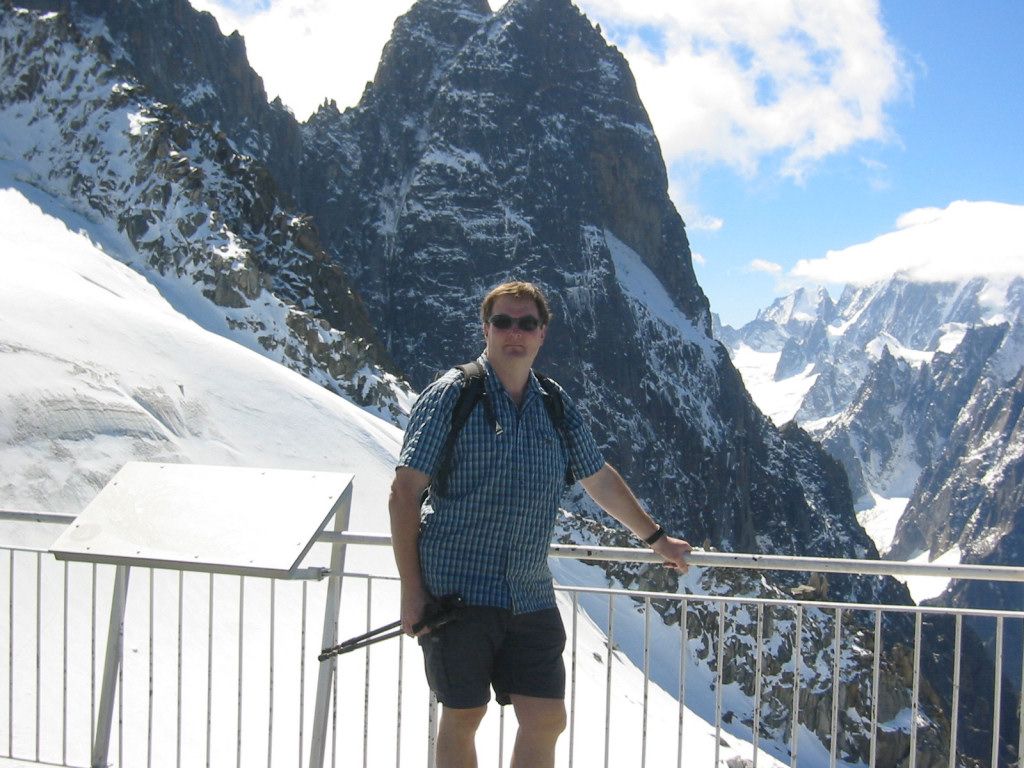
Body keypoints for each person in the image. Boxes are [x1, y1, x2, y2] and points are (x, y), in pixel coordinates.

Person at [389, 280, 691, 768]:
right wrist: (412, 591)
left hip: (528, 593)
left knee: (547, 718)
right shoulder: (452, 394)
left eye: (526, 323)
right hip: (457, 593)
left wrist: (656, 539)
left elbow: (599, 479)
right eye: (503, 322)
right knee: (464, 715)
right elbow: (404, 494)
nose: (515, 333)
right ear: (485, 329)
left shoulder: (553, 402)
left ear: (542, 333)